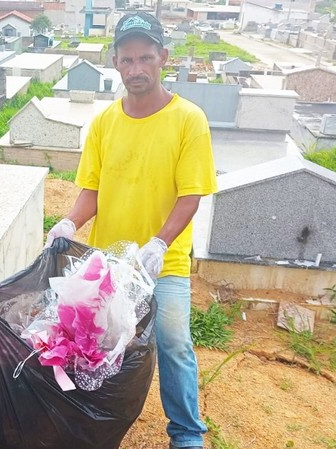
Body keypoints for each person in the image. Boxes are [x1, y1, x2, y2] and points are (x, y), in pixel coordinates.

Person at [45, 12, 218, 449]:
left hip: (164, 261)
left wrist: (160, 243)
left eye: (145, 58)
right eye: (127, 60)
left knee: (173, 342)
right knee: (99, 344)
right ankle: (97, 422)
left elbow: (191, 194)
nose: (136, 69)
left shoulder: (188, 120)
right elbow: (93, 189)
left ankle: (187, 434)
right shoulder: (105, 122)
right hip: (109, 262)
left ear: (163, 57)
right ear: (116, 63)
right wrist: (69, 221)